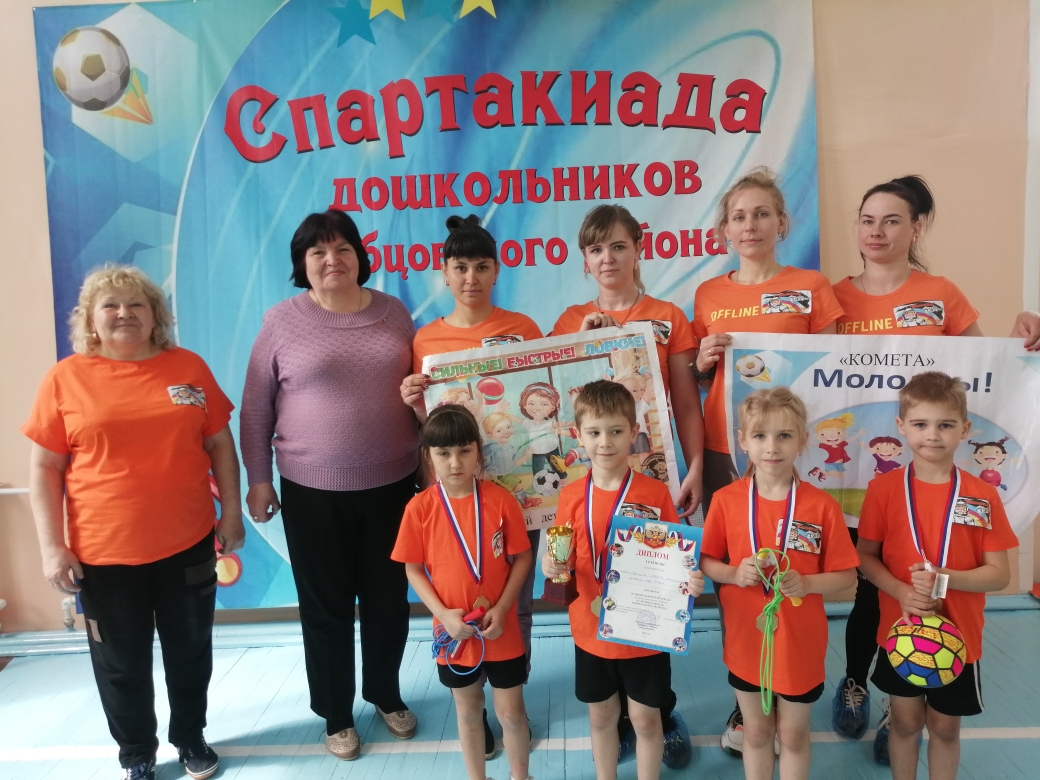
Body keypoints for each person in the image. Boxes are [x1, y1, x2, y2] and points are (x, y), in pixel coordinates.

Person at [828, 175, 1040, 754]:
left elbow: (986, 368)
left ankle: (901, 702)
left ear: (915, 228)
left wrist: (1023, 336)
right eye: (867, 220)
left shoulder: (941, 293)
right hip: (858, 474)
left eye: (892, 220)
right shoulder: (834, 297)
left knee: (916, 586)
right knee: (870, 589)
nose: (876, 231)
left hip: (930, 475)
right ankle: (858, 684)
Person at [22, 265, 244, 780]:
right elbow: (44, 469)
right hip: (102, 556)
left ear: (155, 315)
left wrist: (231, 513)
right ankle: (137, 754)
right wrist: (52, 547)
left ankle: (190, 738)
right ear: (91, 319)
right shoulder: (65, 379)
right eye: (111, 305)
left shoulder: (188, 367)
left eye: (136, 304)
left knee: (190, 653)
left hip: (187, 544)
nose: (124, 313)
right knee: (120, 665)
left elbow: (219, 445)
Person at [240, 210, 419, 761]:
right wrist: (259, 479)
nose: (331, 260)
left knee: (388, 602)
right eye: (317, 252)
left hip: (393, 485)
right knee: (326, 609)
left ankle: (385, 694)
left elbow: (423, 393)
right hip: (311, 492)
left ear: (359, 256)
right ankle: (336, 714)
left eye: (342, 248)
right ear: (302, 264)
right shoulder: (281, 322)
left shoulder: (395, 314)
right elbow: (255, 409)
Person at [691, 167, 844, 755]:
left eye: (761, 214)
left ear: (782, 222)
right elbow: (695, 378)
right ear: (724, 230)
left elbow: (841, 364)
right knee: (739, 567)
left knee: (796, 559)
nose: (749, 225)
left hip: (792, 447)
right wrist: (702, 362)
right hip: (726, 449)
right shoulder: (709, 294)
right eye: (738, 216)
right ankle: (748, 694)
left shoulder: (810, 285)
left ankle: (793, 684)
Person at [551, 204, 705, 768]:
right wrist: (580, 348)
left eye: (618, 246)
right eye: (596, 249)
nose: (608, 258)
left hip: (650, 481)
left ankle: (659, 714)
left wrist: (695, 466)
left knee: (649, 601)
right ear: (584, 260)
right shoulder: (570, 319)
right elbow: (558, 408)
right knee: (596, 592)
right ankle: (615, 719)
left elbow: (685, 399)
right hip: (593, 483)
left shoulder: (666, 316)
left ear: (639, 250)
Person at [399, 214, 543, 758]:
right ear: (443, 272)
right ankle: (474, 706)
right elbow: (434, 430)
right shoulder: (427, 338)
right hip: (458, 498)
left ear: (497, 271)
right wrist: (415, 404)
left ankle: (511, 696)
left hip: (517, 492)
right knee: (457, 590)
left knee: (514, 601)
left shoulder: (523, 326)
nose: (471, 278)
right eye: (460, 267)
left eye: (482, 266)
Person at [856, 372, 1017, 780]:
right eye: (920, 424)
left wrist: (946, 577)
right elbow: (865, 557)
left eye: (945, 424)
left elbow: (999, 575)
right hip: (900, 632)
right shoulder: (883, 490)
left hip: (958, 637)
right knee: (905, 722)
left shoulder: (982, 495)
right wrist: (899, 589)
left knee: (945, 727)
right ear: (901, 426)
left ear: (965, 429)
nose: (932, 435)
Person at [542, 381, 705, 780]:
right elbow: (562, 556)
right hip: (590, 628)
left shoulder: (654, 493)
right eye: (595, 432)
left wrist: (688, 580)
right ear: (578, 435)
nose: (605, 442)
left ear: (634, 432)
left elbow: (675, 557)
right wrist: (551, 564)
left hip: (644, 630)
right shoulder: (571, 496)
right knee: (601, 717)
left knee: (647, 719)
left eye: (616, 431)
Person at [699, 388, 858, 780]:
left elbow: (846, 576)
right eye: (760, 436)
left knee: (793, 735)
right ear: (743, 441)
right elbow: (706, 561)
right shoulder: (726, 500)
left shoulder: (821, 505)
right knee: (755, 732)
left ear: (802, 440)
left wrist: (808, 583)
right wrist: (734, 573)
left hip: (799, 645)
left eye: (784, 435)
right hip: (746, 640)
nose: (771, 447)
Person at [392, 405, 533, 780]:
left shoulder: (500, 500)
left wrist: (503, 608)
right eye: (444, 453)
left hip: (500, 628)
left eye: (464, 451)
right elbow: (412, 568)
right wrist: (443, 615)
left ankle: (521, 776)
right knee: (468, 710)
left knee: (512, 713)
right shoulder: (419, 509)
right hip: (453, 632)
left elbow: (522, 558)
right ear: (428, 456)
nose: (455, 462)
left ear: (478, 452)